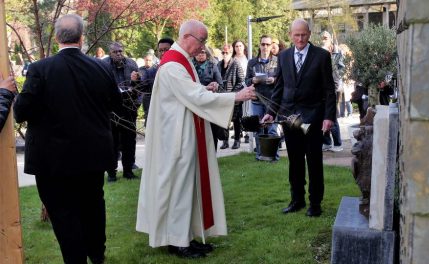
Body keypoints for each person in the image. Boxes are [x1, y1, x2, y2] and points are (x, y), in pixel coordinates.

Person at [136, 19, 256, 259]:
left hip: (183, 133)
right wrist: (236, 96)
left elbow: (190, 93)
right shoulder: (172, 65)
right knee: (180, 188)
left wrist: (205, 90)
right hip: (177, 139)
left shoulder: (180, 60)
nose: (203, 47)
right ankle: (178, 241)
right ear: (187, 36)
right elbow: (194, 96)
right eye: (201, 41)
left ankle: (184, 236)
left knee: (187, 187)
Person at [13, 14, 121, 264]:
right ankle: (96, 254)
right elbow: (116, 103)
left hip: (54, 160)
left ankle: (76, 259)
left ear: (57, 37)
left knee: (63, 213)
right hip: (92, 156)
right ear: (81, 37)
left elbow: (21, 112)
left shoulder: (41, 69)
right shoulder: (101, 67)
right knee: (93, 206)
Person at [262, 19, 336, 217]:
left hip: (313, 117)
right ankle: (297, 200)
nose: (300, 38)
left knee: (314, 161)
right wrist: (270, 111)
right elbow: (279, 88)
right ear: (290, 35)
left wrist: (329, 117)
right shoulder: (284, 56)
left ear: (309, 34)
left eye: (303, 34)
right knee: (294, 161)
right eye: (296, 35)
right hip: (289, 118)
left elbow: (329, 89)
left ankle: (315, 203)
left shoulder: (321, 56)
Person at [103, 42, 139, 181]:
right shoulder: (104, 65)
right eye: (115, 52)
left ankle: (128, 171)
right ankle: (111, 173)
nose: (118, 54)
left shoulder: (131, 64)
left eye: (120, 51)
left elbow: (139, 85)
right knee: (111, 142)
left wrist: (135, 100)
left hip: (129, 108)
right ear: (110, 52)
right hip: (112, 110)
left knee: (129, 141)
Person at [246, 35, 279, 161]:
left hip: (272, 100)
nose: (265, 47)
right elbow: (246, 80)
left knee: (272, 129)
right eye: (263, 44)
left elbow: (283, 79)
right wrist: (253, 80)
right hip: (257, 99)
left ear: (271, 46)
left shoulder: (278, 61)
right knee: (258, 129)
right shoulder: (252, 62)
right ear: (259, 45)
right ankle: (260, 155)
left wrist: (274, 80)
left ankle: (273, 156)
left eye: (268, 44)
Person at [193, 48, 224, 150]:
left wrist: (216, 85)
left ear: (206, 54)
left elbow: (220, 84)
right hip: (194, 102)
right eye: (198, 52)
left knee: (212, 130)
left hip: (210, 103)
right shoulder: (190, 65)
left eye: (203, 52)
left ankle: (212, 155)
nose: (200, 54)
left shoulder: (212, 66)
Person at [218, 44, 245, 149]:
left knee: (236, 120)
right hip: (222, 96)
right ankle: (225, 141)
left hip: (235, 97)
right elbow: (216, 78)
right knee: (224, 119)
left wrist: (234, 93)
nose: (225, 54)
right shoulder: (219, 64)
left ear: (231, 53)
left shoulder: (236, 63)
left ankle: (237, 140)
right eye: (223, 52)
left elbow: (241, 80)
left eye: (227, 53)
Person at [321, 31, 344, 152]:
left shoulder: (337, 52)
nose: (323, 39)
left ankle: (338, 143)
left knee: (332, 116)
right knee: (322, 116)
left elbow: (342, 69)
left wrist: (335, 82)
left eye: (326, 38)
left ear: (330, 39)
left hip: (334, 88)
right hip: (322, 90)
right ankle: (326, 142)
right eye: (322, 38)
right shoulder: (321, 52)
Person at [232, 39, 250, 144]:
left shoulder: (248, 58)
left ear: (244, 47)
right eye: (236, 46)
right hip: (236, 89)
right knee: (237, 114)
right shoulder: (232, 59)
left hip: (246, 87)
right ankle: (238, 133)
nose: (238, 48)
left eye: (240, 46)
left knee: (246, 111)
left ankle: (247, 133)